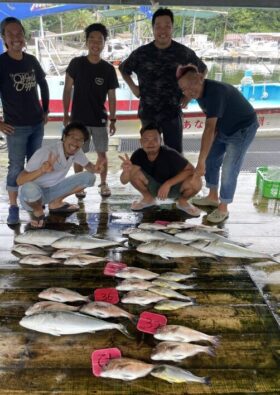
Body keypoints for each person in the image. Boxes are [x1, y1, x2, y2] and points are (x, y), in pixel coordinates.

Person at [177, 65, 259, 223]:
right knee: (211, 159)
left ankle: (223, 207)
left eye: (191, 85)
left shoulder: (216, 92)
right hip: (223, 127)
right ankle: (212, 197)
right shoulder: (200, 93)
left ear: (201, 78)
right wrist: (204, 159)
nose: (188, 92)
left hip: (242, 129)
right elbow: (212, 125)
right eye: (184, 89)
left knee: (229, 168)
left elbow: (209, 128)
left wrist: (200, 162)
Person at [119, 8, 207, 153]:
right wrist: (134, 88)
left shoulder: (183, 53)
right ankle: (150, 177)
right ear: (153, 28)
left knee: (175, 153)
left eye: (167, 26)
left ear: (172, 28)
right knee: (150, 151)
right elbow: (123, 69)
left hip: (172, 111)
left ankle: (175, 176)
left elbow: (202, 70)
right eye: (158, 26)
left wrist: (189, 95)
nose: (162, 30)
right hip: (148, 112)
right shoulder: (141, 53)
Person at [0, 17, 49, 225]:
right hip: (15, 128)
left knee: (35, 165)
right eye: (10, 34)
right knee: (16, 167)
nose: (15, 38)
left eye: (19, 33)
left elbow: (43, 84)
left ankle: (31, 201)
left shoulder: (31, 60)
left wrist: (45, 110)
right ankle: (13, 207)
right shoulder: (1, 63)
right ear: (3, 38)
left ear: (24, 36)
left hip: (37, 124)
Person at [63, 23, 119, 199]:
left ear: (104, 43)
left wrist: (113, 118)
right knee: (78, 153)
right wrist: (66, 115)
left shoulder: (108, 69)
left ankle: (103, 183)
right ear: (87, 42)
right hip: (78, 120)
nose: (96, 43)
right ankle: (79, 185)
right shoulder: (76, 63)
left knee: (102, 153)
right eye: (92, 39)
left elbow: (111, 96)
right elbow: (67, 89)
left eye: (99, 40)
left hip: (100, 119)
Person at [17, 122, 104, 229]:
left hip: (53, 191)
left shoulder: (77, 151)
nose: (75, 142)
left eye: (80, 140)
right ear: (64, 137)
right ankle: (38, 210)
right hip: (32, 198)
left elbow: (88, 166)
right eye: (72, 137)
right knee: (29, 187)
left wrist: (96, 168)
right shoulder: (45, 152)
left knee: (90, 177)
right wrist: (41, 170)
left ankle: (56, 202)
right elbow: (20, 180)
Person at [119, 124, 202, 216]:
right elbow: (124, 181)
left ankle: (182, 202)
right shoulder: (138, 155)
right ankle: (148, 199)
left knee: (196, 181)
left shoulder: (170, 154)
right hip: (153, 187)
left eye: (155, 139)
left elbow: (191, 170)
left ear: (160, 141)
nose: (150, 143)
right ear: (141, 142)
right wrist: (126, 172)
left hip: (174, 188)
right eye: (146, 140)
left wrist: (168, 184)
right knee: (133, 171)